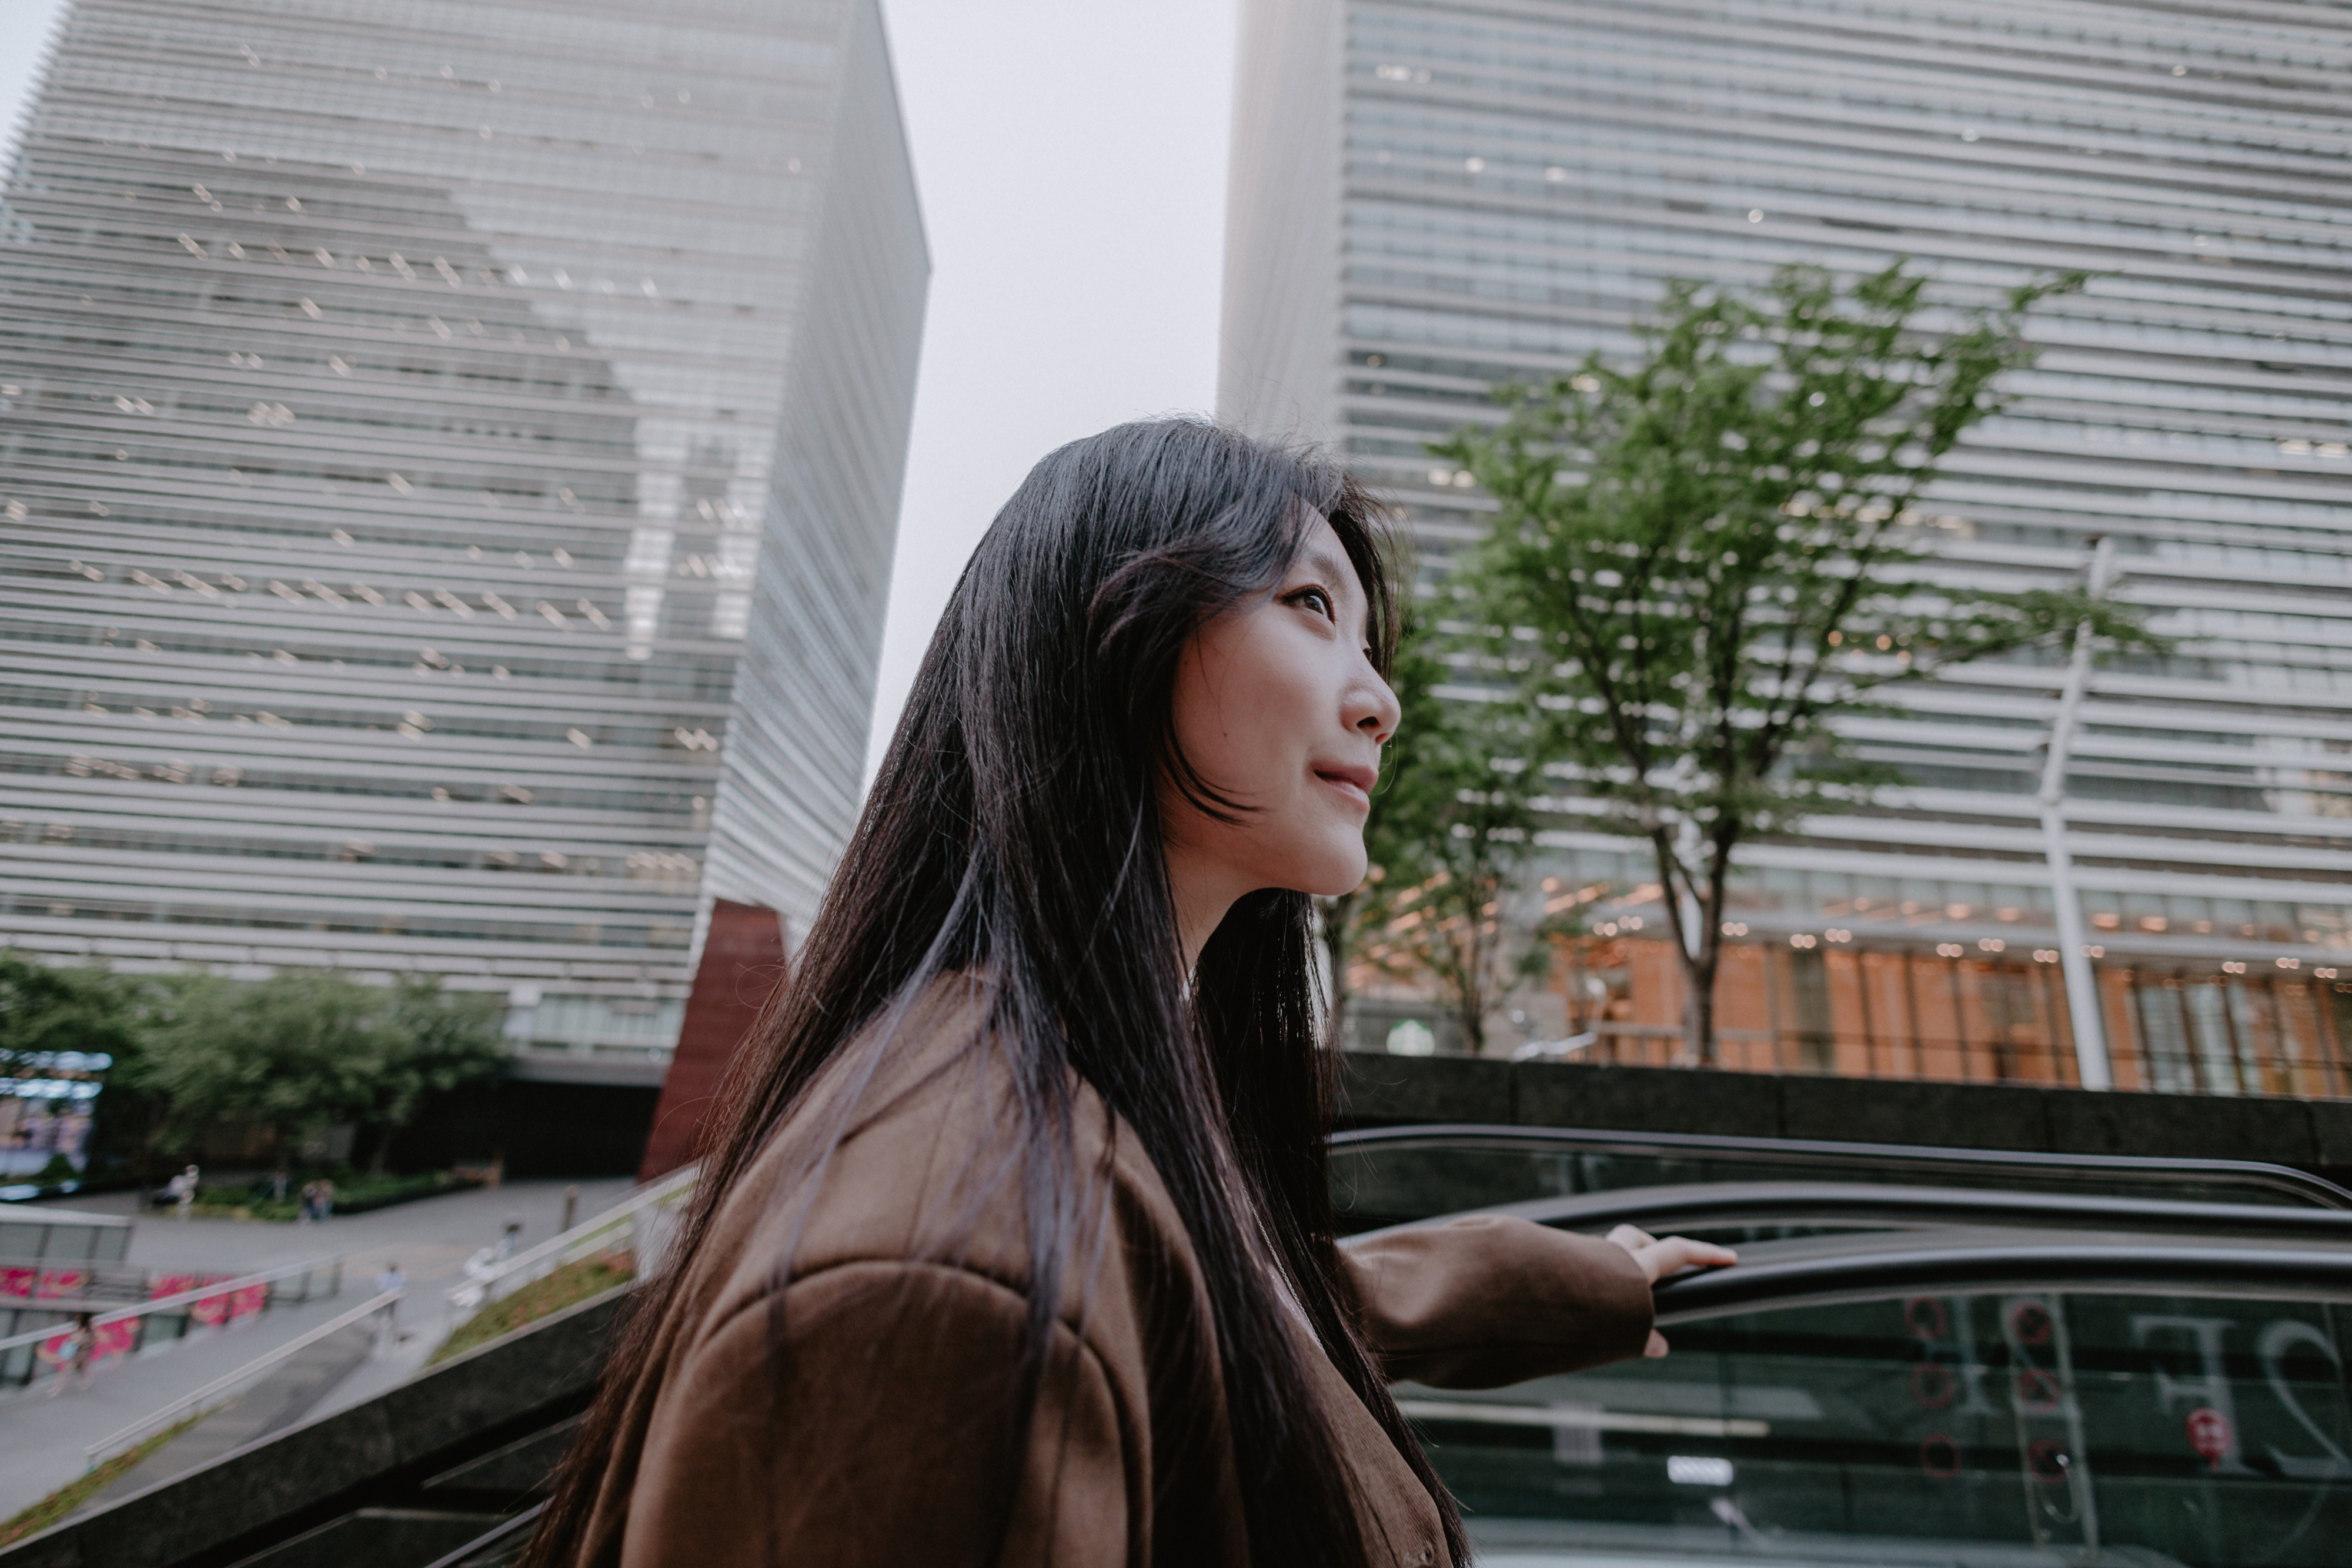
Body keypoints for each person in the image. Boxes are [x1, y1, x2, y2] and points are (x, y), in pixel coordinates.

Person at [523, 422, 1735, 1568]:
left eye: (1367, 642)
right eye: (1309, 605)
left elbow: (1243, 1305)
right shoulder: (954, 1263)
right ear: (1115, 633)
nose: (1378, 698)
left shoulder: (1085, 1086)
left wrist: (1587, 1280)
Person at [38, 1313, 98, 1397]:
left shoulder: (85, 1331)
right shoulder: (82, 1330)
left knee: (83, 1369)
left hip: (82, 1354)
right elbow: (73, 1342)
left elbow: (76, 1342)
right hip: (77, 1354)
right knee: (66, 1372)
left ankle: (86, 1381)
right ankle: (56, 1389)